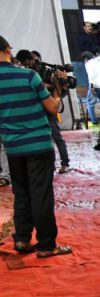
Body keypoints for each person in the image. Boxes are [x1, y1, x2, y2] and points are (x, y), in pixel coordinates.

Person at [0, 36, 72, 258]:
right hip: (38, 144)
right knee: (41, 194)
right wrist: (58, 90)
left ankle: (21, 239)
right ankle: (46, 245)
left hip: (13, 147)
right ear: (7, 50)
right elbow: (53, 107)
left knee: (21, 193)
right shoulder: (28, 75)